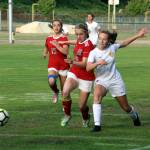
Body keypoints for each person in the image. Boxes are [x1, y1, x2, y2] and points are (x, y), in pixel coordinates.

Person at [86, 28, 148, 132]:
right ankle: (97, 126)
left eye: (104, 39)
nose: (101, 41)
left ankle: (134, 115)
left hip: (115, 81)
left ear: (108, 40)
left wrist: (138, 35)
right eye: (100, 38)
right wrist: (97, 63)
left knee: (126, 107)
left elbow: (125, 43)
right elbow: (88, 68)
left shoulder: (112, 47)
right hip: (101, 80)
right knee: (96, 96)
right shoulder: (93, 53)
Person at [60, 23, 95, 128]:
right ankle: (67, 115)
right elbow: (75, 42)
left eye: (80, 34)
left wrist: (72, 61)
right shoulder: (79, 41)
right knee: (65, 91)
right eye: (76, 34)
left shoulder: (88, 45)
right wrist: (64, 42)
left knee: (81, 106)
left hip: (86, 77)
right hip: (74, 72)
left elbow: (85, 64)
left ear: (86, 33)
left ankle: (86, 117)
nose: (78, 37)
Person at [43, 19, 69, 103]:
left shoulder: (64, 38)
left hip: (63, 65)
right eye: (54, 25)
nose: (56, 27)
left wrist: (57, 45)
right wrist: (44, 53)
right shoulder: (48, 38)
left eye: (58, 25)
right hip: (52, 65)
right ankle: (55, 91)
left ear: (61, 27)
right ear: (52, 27)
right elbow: (46, 47)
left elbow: (65, 52)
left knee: (64, 90)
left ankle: (65, 106)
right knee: (51, 81)